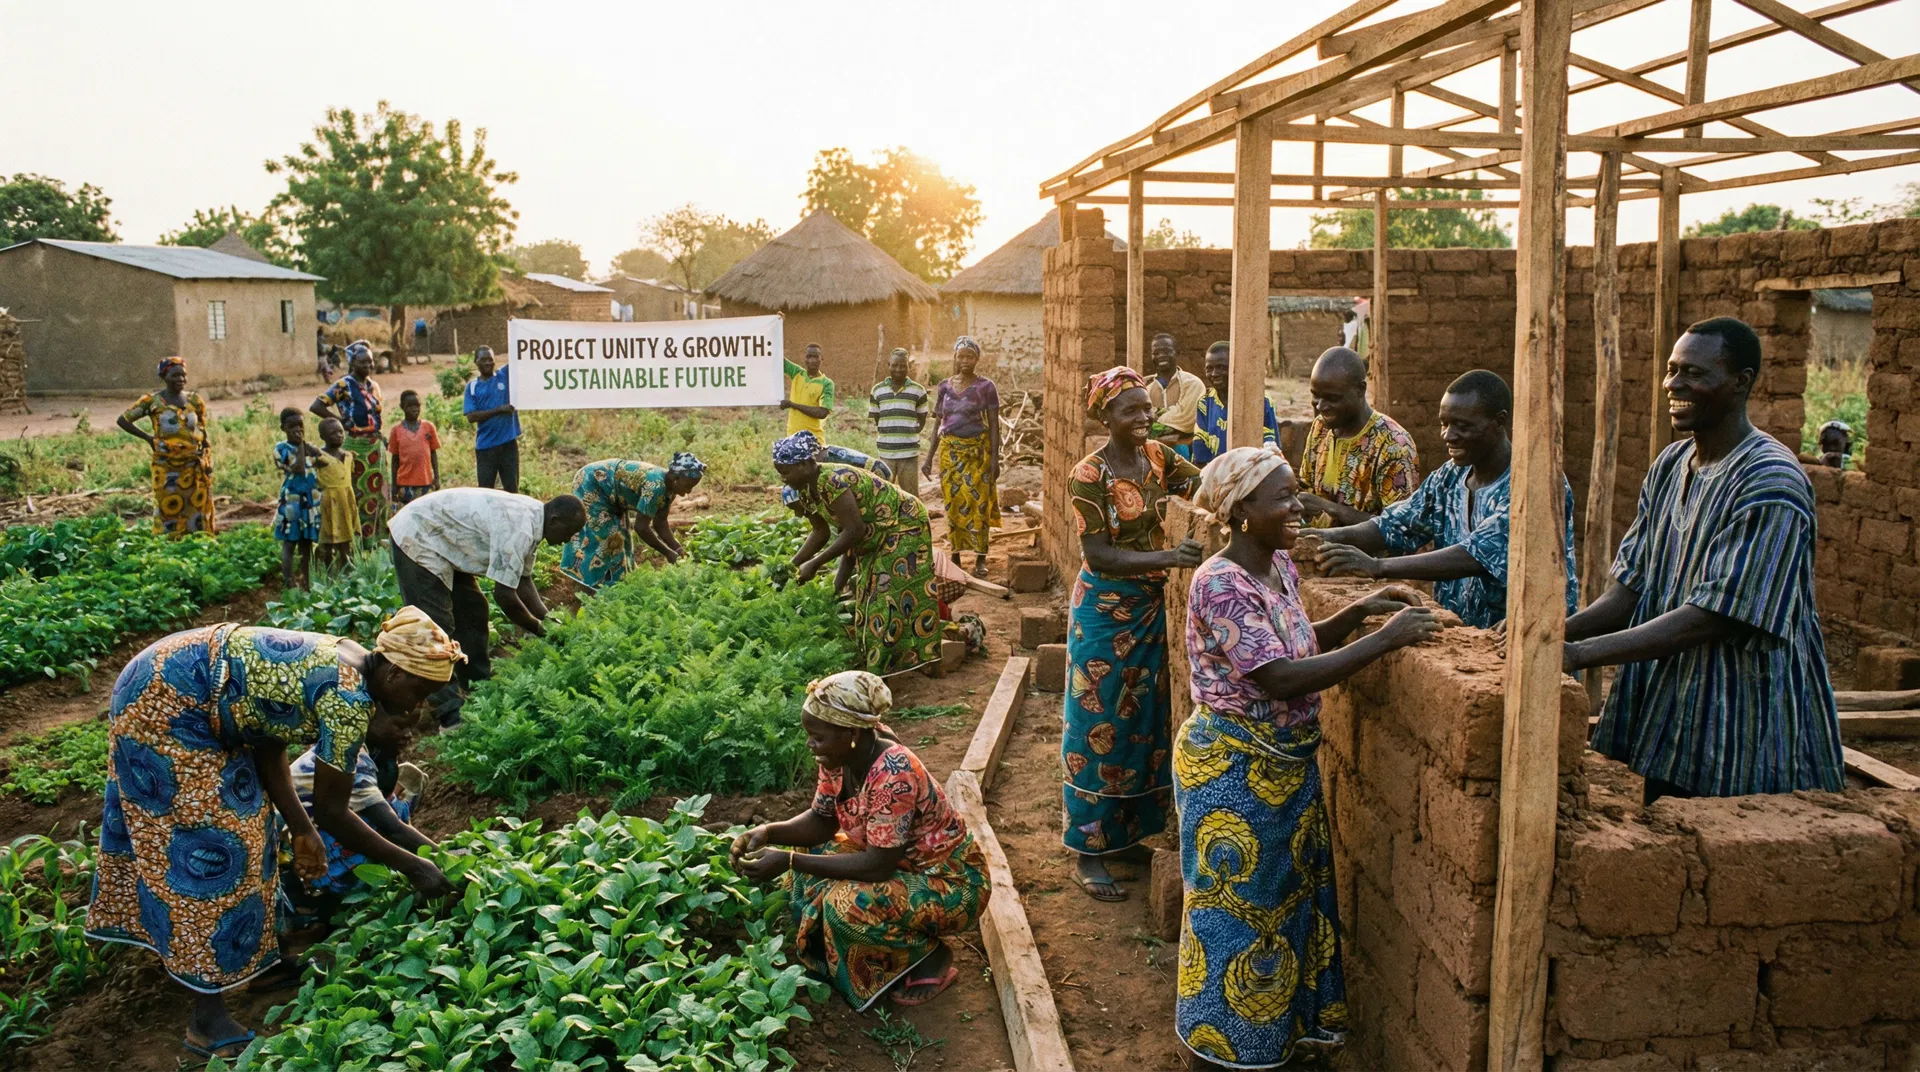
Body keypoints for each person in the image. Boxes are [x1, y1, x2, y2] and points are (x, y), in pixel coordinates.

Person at [85, 608, 460, 1058]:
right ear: (395, 672)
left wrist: (301, 828)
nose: (416, 706)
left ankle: (264, 962)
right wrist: (416, 868)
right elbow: (334, 812)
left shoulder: (353, 661)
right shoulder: (348, 697)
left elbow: (268, 733)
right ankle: (206, 1019)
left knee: (255, 826)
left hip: (195, 689)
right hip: (167, 701)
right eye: (419, 692)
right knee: (212, 853)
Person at [1175, 445, 1441, 1070]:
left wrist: (1357, 613)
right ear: (1242, 510)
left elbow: (1293, 643)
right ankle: (1217, 1053)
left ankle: (1270, 1044)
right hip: (1234, 774)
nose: (1299, 507)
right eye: (1284, 498)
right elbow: (1280, 677)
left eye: (1296, 493)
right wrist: (1383, 641)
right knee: (1235, 916)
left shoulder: (1276, 566)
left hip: (1281, 770)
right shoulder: (1219, 582)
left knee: (1281, 909)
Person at [1573, 317, 1842, 804]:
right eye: (1672, 370)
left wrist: (1579, 654)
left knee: (1742, 834)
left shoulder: (1771, 482)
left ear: (1740, 381)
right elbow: (1630, 587)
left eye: (1694, 373)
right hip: (1677, 709)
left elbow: (1714, 616)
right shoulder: (1670, 465)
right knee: (1670, 821)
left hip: (1744, 718)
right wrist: (1554, 632)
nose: (1674, 384)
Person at [733, 671, 988, 1011]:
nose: (810, 745)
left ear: (851, 733)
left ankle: (927, 955)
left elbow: (877, 866)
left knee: (847, 903)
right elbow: (822, 821)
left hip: (950, 884)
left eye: (818, 738)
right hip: (900, 866)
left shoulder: (893, 772)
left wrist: (788, 861)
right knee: (810, 850)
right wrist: (768, 832)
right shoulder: (839, 757)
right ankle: (829, 947)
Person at [1063, 367, 1206, 902]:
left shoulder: (1159, 459)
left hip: (1148, 608)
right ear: (1106, 417)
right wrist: (1169, 557)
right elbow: (1098, 554)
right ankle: (1087, 849)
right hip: (1105, 611)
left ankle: (1122, 837)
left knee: (1143, 720)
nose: (1145, 417)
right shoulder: (1089, 474)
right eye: (1131, 410)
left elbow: (1204, 484)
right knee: (1097, 720)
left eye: (1148, 407)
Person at [1312, 370, 1577, 629]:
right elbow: (1394, 525)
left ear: (1499, 421)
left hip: (1524, 637)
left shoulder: (1535, 484)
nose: (1447, 435)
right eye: (1444, 424)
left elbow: (1474, 556)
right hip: (1464, 634)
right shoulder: (1451, 476)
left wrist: (1377, 566)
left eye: (1463, 426)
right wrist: (1319, 538)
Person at [388, 488, 587, 725]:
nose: (568, 540)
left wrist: (549, 619)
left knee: (473, 611)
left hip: (446, 542)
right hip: (419, 535)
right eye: (570, 532)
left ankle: (478, 687)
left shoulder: (535, 520)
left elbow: (523, 582)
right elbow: (505, 596)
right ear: (555, 520)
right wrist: (539, 629)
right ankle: (449, 714)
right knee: (434, 629)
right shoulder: (521, 529)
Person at [776, 431, 941, 675]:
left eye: (786, 472)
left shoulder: (831, 480)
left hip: (904, 523)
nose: (783, 479)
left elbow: (854, 530)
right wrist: (791, 565)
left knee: (885, 597)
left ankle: (889, 672)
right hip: (876, 532)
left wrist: (815, 564)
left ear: (805, 464)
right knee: (865, 597)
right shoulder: (805, 490)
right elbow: (820, 533)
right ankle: (894, 663)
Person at [281, 741, 430, 930]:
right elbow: (392, 829)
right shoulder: (354, 758)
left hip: (305, 838)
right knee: (379, 829)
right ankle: (344, 893)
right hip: (301, 849)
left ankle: (396, 802)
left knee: (392, 814)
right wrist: (432, 859)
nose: (408, 735)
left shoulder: (356, 748)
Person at [1296, 346, 1420, 527]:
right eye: (1315, 396)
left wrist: (1329, 509)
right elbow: (1307, 489)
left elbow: (1400, 528)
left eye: (1332, 398)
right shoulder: (1321, 427)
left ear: (1360, 390)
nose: (1320, 406)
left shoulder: (1393, 445)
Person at [560, 452, 707, 589]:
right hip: (593, 483)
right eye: (688, 486)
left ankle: (618, 584)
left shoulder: (669, 490)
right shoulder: (655, 486)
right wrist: (667, 552)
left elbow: (660, 523)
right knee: (605, 536)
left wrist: (678, 548)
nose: (688, 492)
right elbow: (641, 527)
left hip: (613, 495)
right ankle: (589, 586)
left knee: (623, 537)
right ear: (676, 479)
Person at [924, 337, 1002, 576]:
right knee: (953, 505)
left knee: (980, 504)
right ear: (955, 358)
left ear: (977, 359)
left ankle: (980, 558)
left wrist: (995, 459)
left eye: (970, 356)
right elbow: (939, 423)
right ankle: (956, 555)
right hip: (950, 454)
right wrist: (928, 458)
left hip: (977, 454)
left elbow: (994, 425)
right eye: (961, 356)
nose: (965, 361)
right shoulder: (944, 387)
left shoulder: (986, 387)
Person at [117, 356, 215, 536]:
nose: (181, 379)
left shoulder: (195, 401)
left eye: (183, 375)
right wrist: (148, 438)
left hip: (193, 465)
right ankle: (168, 545)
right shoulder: (152, 402)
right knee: (167, 507)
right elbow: (123, 420)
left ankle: (196, 543)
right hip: (166, 466)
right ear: (164, 376)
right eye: (175, 375)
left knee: (196, 507)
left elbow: (202, 431)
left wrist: (207, 461)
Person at [309, 341, 388, 547]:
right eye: (363, 362)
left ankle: (375, 541)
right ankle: (355, 541)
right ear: (352, 363)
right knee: (356, 492)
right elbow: (317, 405)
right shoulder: (344, 385)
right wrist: (339, 422)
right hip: (355, 445)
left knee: (377, 493)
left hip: (375, 447)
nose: (368, 366)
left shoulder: (374, 386)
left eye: (370, 362)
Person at [1190, 341, 1280, 468]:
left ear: (1235, 368)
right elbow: (1200, 448)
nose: (1214, 374)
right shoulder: (1205, 403)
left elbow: (1271, 445)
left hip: (1253, 471)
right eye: (1209, 369)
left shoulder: (1260, 401)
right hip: (1217, 472)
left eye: (1222, 368)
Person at [868, 348, 931, 497]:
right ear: (888, 365)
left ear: (909, 367)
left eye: (903, 366)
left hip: (909, 454)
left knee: (911, 496)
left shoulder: (918, 391)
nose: (898, 369)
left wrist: (908, 435)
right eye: (895, 365)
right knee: (883, 495)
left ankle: (912, 514)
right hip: (886, 453)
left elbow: (922, 419)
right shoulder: (877, 390)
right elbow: (877, 419)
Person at [273, 408, 325, 590]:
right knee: (290, 541)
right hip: (292, 501)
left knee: (307, 542)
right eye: (292, 426)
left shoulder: (308, 447)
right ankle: (288, 582)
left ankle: (306, 581)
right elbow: (298, 468)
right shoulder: (281, 449)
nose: (297, 430)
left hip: (309, 501)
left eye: (300, 425)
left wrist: (314, 450)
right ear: (283, 428)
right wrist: (302, 446)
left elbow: (324, 461)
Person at [463, 346, 523, 493]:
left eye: (490, 359)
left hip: (508, 444)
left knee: (512, 489)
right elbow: (471, 416)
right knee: (486, 491)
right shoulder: (472, 387)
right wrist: (499, 410)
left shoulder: (504, 376)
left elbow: (520, 359)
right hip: (486, 447)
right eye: (483, 360)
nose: (487, 363)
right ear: (476, 362)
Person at [1145, 333, 1207, 457]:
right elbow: (1141, 421)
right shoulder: (1146, 388)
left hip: (1186, 450)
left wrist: (1155, 416)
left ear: (1177, 352)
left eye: (1167, 351)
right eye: (1156, 353)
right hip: (1152, 450)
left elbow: (1187, 420)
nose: (1161, 356)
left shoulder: (1193, 384)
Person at [314, 418, 356, 572]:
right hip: (328, 502)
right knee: (328, 536)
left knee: (346, 535)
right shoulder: (320, 458)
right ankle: (327, 569)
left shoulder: (348, 456)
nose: (339, 435)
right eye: (333, 433)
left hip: (346, 500)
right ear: (322, 436)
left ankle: (346, 566)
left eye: (341, 432)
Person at [387, 390, 441, 506]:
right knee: (408, 512)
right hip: (405, 484)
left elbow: (433, 453)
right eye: (410, 406)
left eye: (417, 405)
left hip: (425, 482)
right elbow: (395, 460)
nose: (414, 409)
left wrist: (436, 477)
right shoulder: (396, 431)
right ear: (402, 407)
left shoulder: (428, 427)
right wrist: (394, 485)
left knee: (425, 511)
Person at [782, 343, 835, 438]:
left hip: (813, 438)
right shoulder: (797, 373)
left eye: (816, 357)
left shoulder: (826, 383)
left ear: (822, 358)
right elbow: (777, 360)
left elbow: (822, 412)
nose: (812, 360)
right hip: (792, 437)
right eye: (809, 356)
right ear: (804, 358)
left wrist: (793, 405)